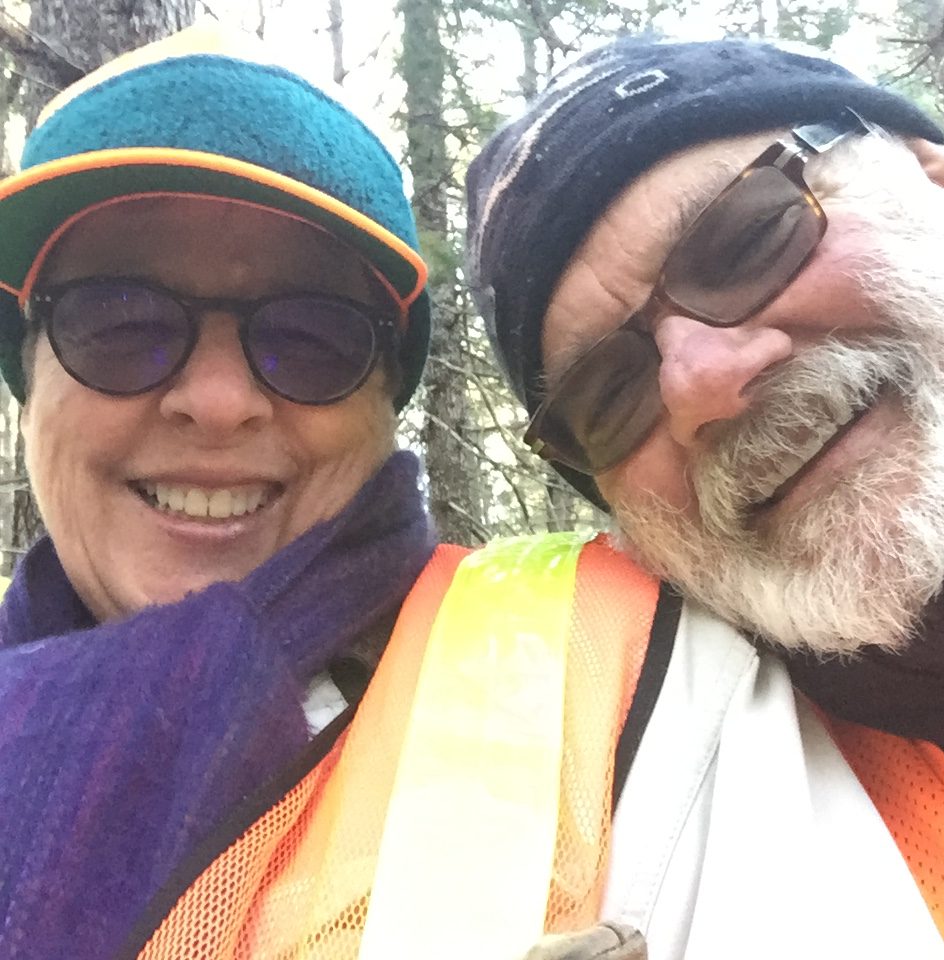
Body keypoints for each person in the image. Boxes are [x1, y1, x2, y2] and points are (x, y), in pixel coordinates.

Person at [0, 25, 653, 960]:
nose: (219, 403)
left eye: (311, 337)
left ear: (387, 400)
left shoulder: (612, 660)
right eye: (120, 321)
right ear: (30, 383)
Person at [467, 37, 944, 960]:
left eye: (749, 241)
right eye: (609, 399)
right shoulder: (634, 797)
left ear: (942, 186)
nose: (699, 388)